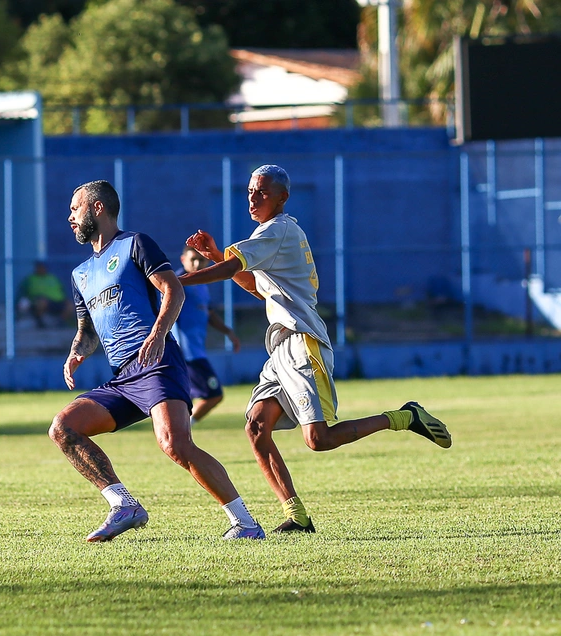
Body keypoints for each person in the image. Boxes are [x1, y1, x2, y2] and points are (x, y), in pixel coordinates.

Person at [181, 164, 452, 533]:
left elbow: (231, 270)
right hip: (280, 348)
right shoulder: (272, 235)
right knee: (257, 428)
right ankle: (297, 516)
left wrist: (172, 282)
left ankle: (405, 417)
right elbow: (253, 285)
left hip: (301, 342)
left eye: (261, 192)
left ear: (282, 197)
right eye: (249, 192)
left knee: (318, 440)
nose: (253, 198)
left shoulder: (278, 230)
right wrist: (215, 256)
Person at [49, 180, 264, 542]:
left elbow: (173, 289)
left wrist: (158, 334)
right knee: (63, 428)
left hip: (157, 362)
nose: (69, 217)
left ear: (97, 208)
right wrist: (76, 352)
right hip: (123, 377)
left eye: (75, 208)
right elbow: (86, 331)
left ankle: (246, 524)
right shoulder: (80, 274)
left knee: (175, 444)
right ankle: (123, 505)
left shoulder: (135, 244)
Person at [174, 247, 242, 423]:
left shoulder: (201, 284)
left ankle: (180, 430)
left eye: (201, 260)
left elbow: (209, 313)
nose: (197, 264)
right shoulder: (178, 283)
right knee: (214, 394)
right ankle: (183, 430)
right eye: (193, 260)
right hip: (186, 352)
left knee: (184, 398)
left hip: (195, 351)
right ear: (183, 260)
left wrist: (228, 331)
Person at [18, 261, 73, 327]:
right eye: (39, 268)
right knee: (42, 302)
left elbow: (62, 290)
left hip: (57, 301)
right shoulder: (31, 279)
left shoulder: (53, 278)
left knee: (70, 305)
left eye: (43, 268)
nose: (41, 269)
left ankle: (60, 322)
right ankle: (40, 322)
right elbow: (24, 292)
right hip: (41, 300)